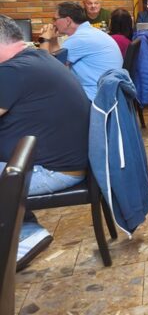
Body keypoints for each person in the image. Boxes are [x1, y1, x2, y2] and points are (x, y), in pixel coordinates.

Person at [0, 15, 90, 271]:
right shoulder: (37, 57)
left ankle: (24, 236)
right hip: (66, 161)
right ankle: (26, 230)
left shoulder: (12, 71)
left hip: (53, 171)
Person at [38, 2, 123, 100]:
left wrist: (44, 39)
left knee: (42, 92)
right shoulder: (88, 32)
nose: (54, 23)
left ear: (68, 21)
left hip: (94, 97)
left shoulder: (79, 38)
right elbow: (58, 62)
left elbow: (46, 70)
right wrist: (53, 39)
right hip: (107, 93)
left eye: (55, 19)